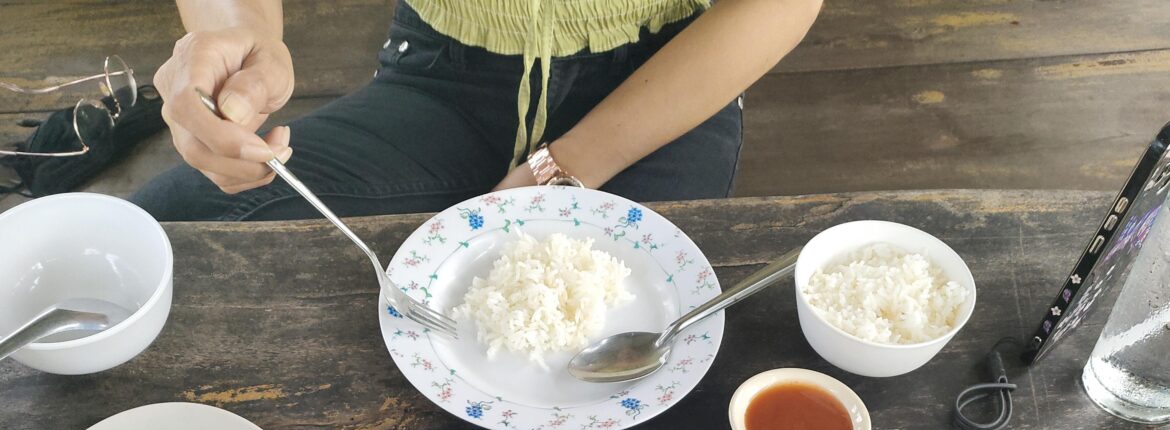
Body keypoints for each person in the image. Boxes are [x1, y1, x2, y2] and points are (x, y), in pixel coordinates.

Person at [133, 0, 822, 221]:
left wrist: (560, 169)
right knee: (172, 225)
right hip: (444, 68)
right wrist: (240, 32)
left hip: (664, 78)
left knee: (608, 369)